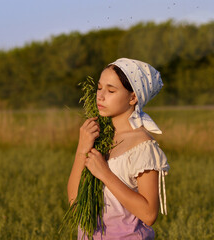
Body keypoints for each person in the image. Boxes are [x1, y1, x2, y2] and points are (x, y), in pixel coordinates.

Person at [67, 58, 170, 239]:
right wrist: (81, 149)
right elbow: (74, 202)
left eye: (111, 90)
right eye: (99, 88)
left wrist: (105, 174)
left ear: (133, 97)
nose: (100, 96)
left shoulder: (143, 146)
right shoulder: (101, 139)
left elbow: (149, 214)